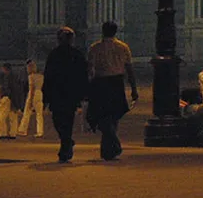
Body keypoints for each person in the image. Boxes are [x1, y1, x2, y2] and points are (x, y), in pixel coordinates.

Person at [86, 21, 139, 161]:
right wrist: (134, 88)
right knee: (114, 115)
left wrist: (88, 87)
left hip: (100, 83)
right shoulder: (123, 47)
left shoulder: (95, 48)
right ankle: (111, 147)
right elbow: (129, 69)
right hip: (116, 83)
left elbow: (89, 70)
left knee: (103, 116)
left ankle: (109, 148)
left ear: (102, 31)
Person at [43, 26, 88, 163]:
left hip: (62, 93)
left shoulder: (56, 54)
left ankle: (65, 147)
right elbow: (83, 75)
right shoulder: (75, 54)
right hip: (67, 93)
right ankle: (67, 141)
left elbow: (48, 75)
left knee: (61, 121)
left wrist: (46, 95)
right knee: (64, 121)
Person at [0, 63, 25, 139]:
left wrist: (4, 94)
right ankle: (13, 134)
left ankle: (2, 133)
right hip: (14, 99)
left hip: (6, 98)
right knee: (13, 117)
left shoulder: (7, 77)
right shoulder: (16, 77)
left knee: (1, 117)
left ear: (5, 69)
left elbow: (6, 87)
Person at [18, 59, 44, 138]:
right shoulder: (41, 76)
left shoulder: (31, 77)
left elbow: (32, 88)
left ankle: (23, 130)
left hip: (33, 94)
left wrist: (30, 100)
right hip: (40, 93)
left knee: (27, 112)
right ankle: (40, 132)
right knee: (39, 114)